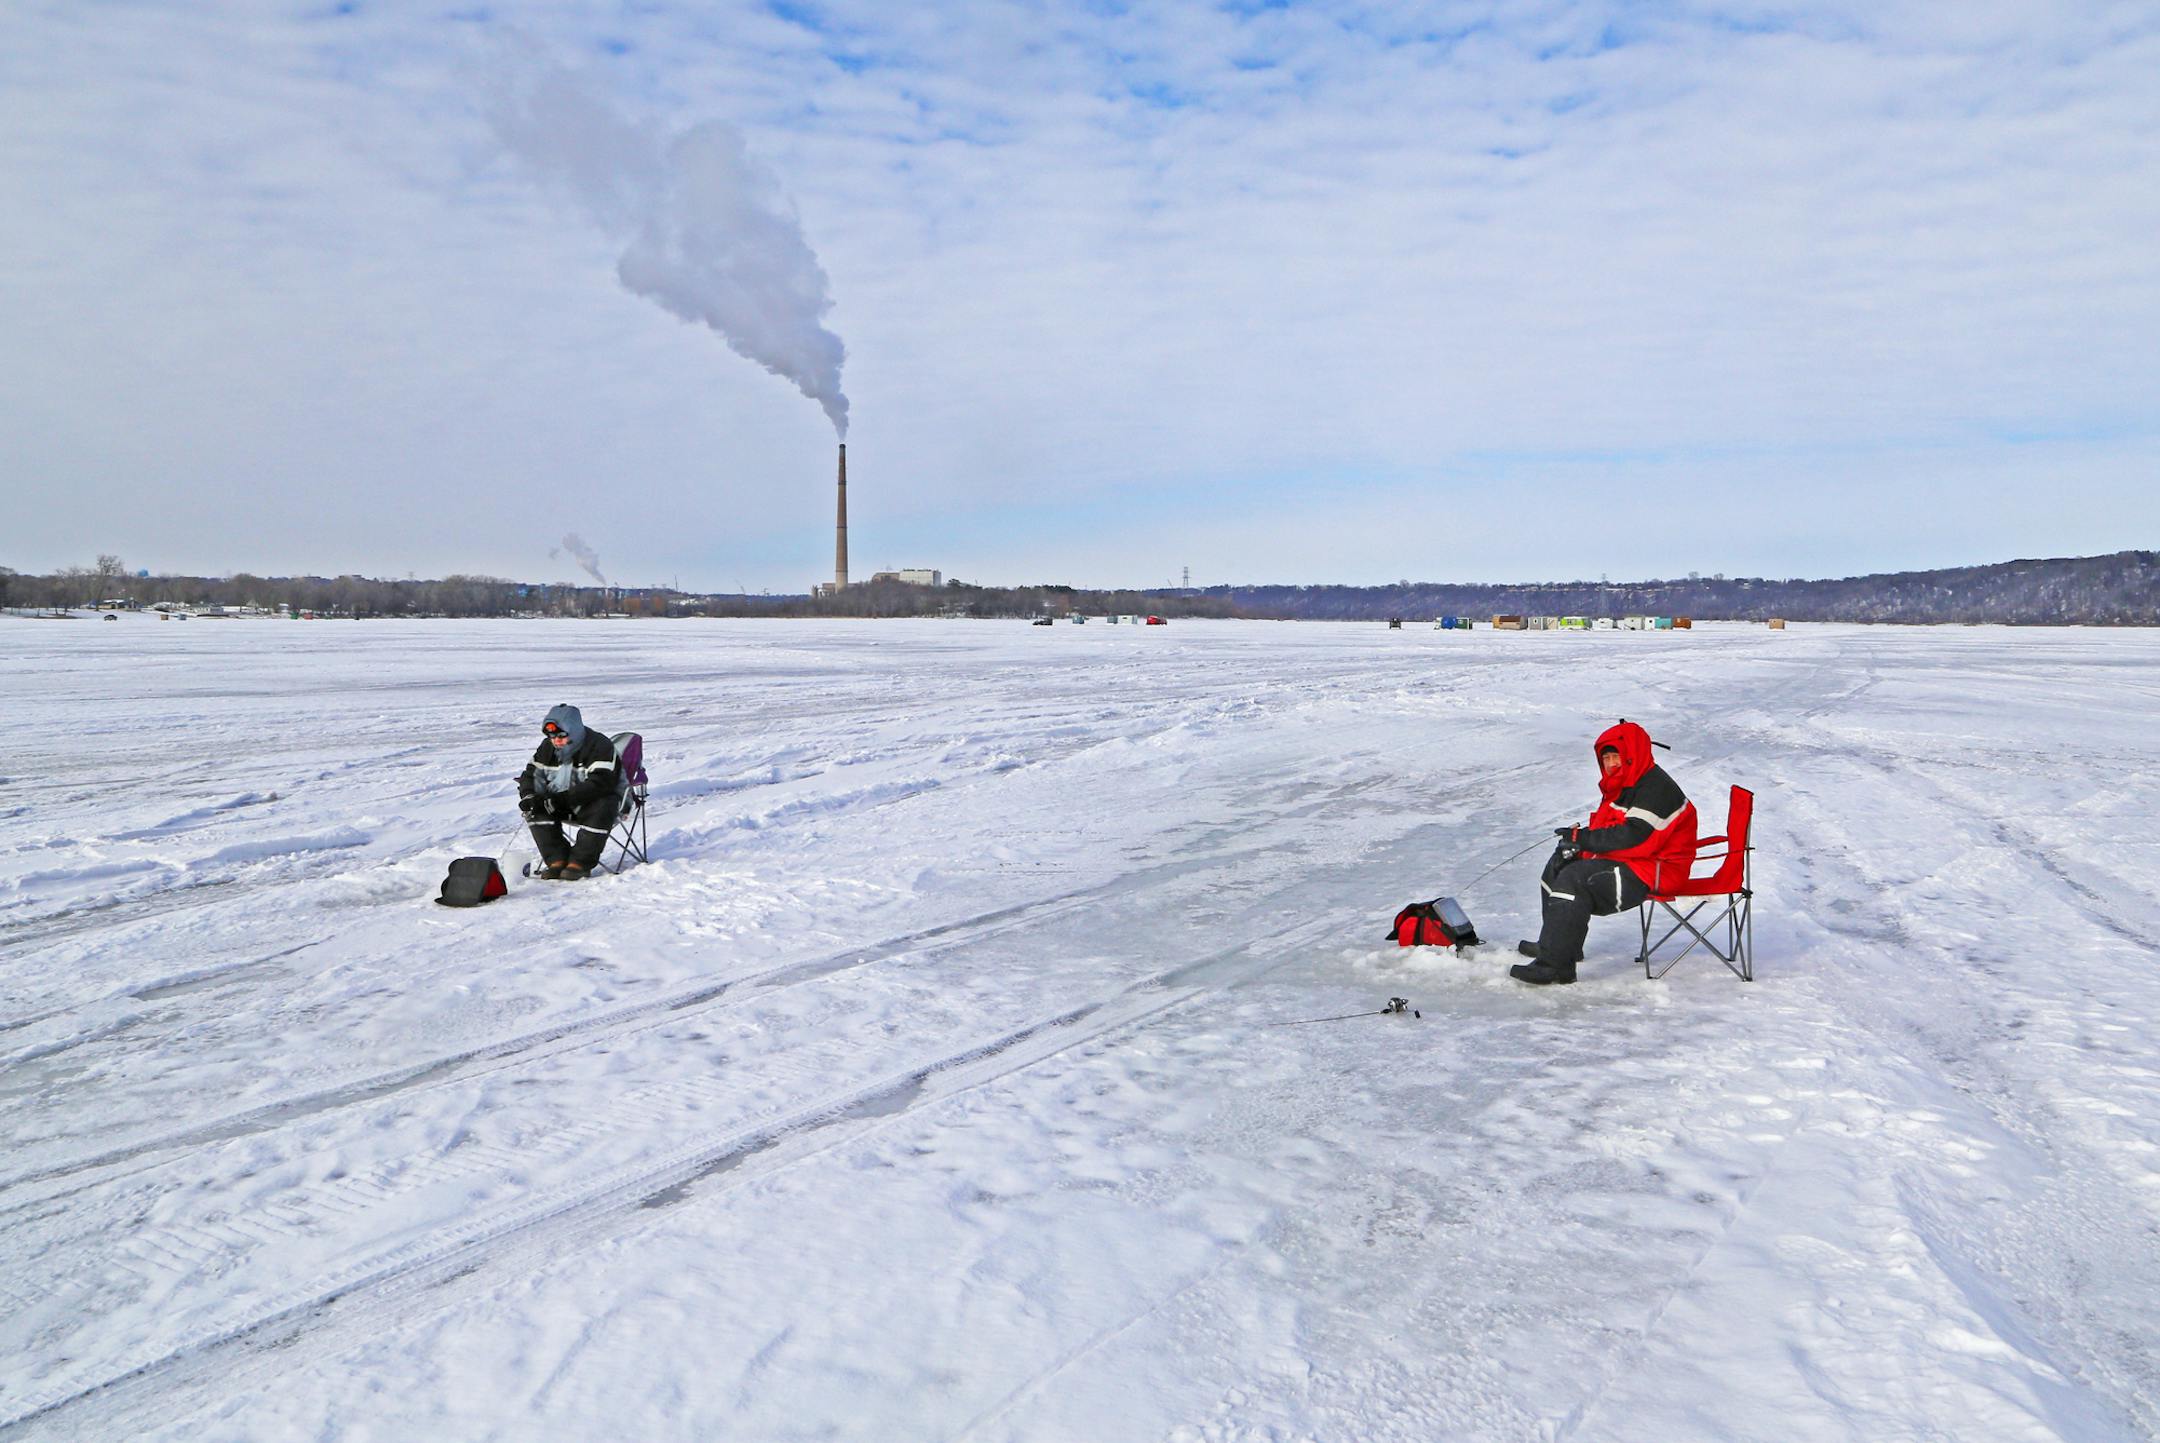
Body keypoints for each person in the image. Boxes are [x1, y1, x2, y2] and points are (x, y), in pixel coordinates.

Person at [1511, 719, 1697, 985]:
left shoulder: (1657, 789)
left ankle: (1556, 967)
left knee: (1575, 878)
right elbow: (1612, 827)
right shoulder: (1625, 782)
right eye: (1606, 758)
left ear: (1633, 755)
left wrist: (1583, 839)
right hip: (1634, 861)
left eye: (1616, 756)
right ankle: (1557, 946)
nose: (1610, 764)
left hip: (1656, 870)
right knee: (1560, 863)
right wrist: (1577, 843)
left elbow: (1634, 836)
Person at [517, 704, 622, 880]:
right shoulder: (547, 748)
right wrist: (529, 796)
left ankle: (580, 863)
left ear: (574, 732)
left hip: (594, 804)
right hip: (560, 803)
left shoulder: (599, 745)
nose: (556, 740)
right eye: (551, 736)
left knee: (605, 802)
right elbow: (530, 775)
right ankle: (556, 860)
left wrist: (561, 800)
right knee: (535, 808)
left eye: (561, 736)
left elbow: (601, 783)